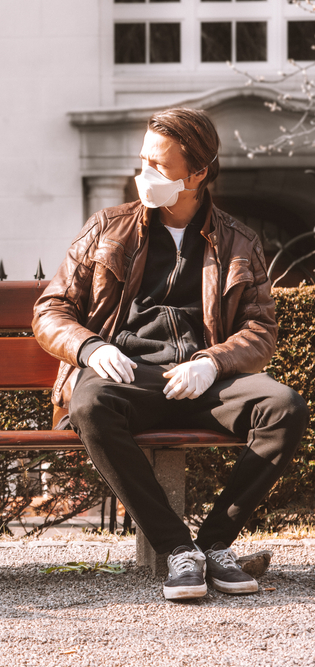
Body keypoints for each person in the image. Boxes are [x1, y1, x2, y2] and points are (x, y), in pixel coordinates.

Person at [33, 108, 309, 602]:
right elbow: (50, 309)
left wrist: (212, 362)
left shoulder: (239, 241)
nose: (145, 174)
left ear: (197, 172)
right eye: (143, 160)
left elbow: (260, 330)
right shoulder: (107, 227)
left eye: (159, 165)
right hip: (128, 375)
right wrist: (90, 347)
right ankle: (178, 548)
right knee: (89, 404)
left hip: (204, 380)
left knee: (284, 406)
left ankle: (214, 545)